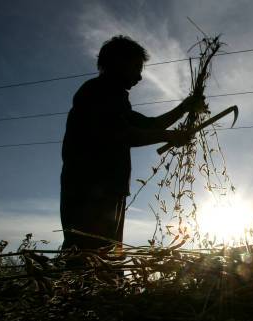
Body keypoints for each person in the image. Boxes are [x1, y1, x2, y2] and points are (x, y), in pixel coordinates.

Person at [60, 35, 205, 253]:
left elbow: (149, 124)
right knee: (88, 254)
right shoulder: (95, 92)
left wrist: (185, 108)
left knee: (106, 256)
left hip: (109, 189)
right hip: (89, 190)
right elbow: (119, 134)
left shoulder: (116, 99)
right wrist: (169, 136)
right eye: (136, 68)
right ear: (119, 63)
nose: (139, 76)